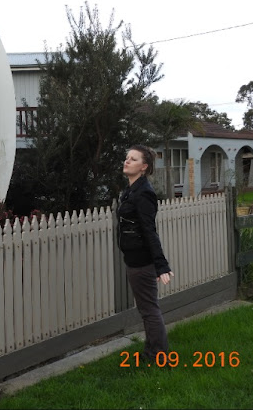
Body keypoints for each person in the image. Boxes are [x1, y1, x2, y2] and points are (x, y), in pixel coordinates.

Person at [117, 144, 174, 363]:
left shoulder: (144, 194)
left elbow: (149, 231)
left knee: (149, 310)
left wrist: (161, 266)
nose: (127, 161)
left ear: (144, 167)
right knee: (147, 309)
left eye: (133, 159)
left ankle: (159, 356)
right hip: (133, 259)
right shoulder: (131, 190)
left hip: (141, 261)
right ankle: (152, 352)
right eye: (126, 157)